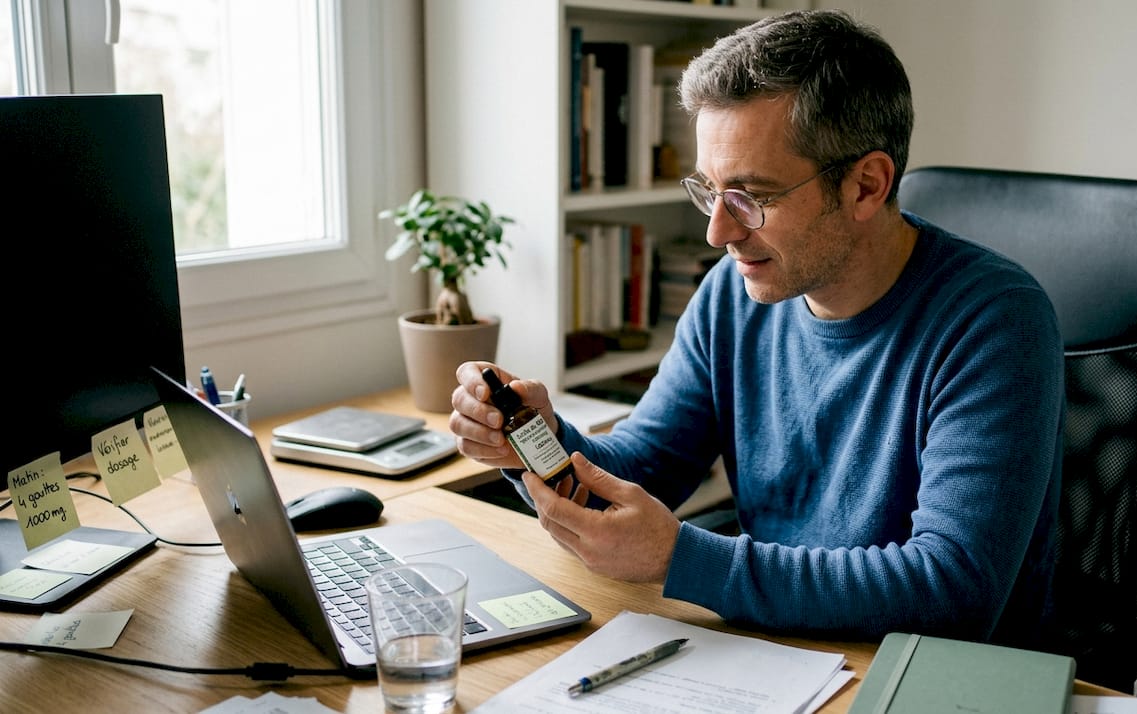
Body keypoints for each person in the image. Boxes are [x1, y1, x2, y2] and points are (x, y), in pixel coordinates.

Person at [448, 9, 1064, 648]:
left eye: (750, 196)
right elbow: (645, 466)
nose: (718, 231)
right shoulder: (732, 294)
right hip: (774, 650)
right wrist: (534, 442)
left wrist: (682, 559)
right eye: (708, 190)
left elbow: (952, 590)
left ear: (866, 186)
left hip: (933, 675)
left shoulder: (995, 321)